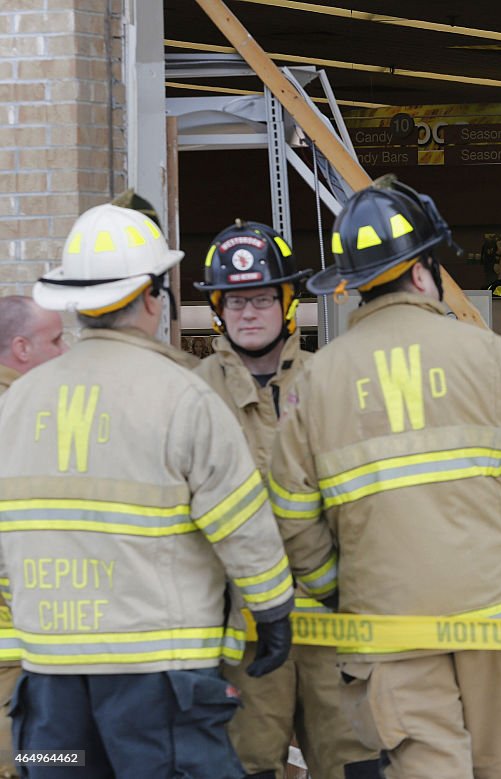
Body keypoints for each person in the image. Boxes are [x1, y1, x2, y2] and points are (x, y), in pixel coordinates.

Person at [268, 179, 501, 779]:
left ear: (354, 286)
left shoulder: (316, 381)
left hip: (389, 628)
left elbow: (292, 513)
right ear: (421, 272)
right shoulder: (492, 356)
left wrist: (339, 589)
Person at [0, 203, 294, 777]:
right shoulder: (182, 396)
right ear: (153, 297)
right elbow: (240, 524)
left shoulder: (16, 405)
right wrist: (274, 610)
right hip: (160, 688)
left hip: (48, 692)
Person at [194, 220, 379, 779]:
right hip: (244, 628)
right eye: (236, 302)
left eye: (261, 299)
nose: (249, 314)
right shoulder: (195, 393)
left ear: (288, 303)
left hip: (335, 619)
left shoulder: (333, 382)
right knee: (248, 764)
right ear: (219, 312)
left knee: (353, 760)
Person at [0, 296, 68, 779]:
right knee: (51, 761)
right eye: (57, 340)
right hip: (18, 659)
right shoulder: (27, 420)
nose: (66, 352)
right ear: (22, 348)